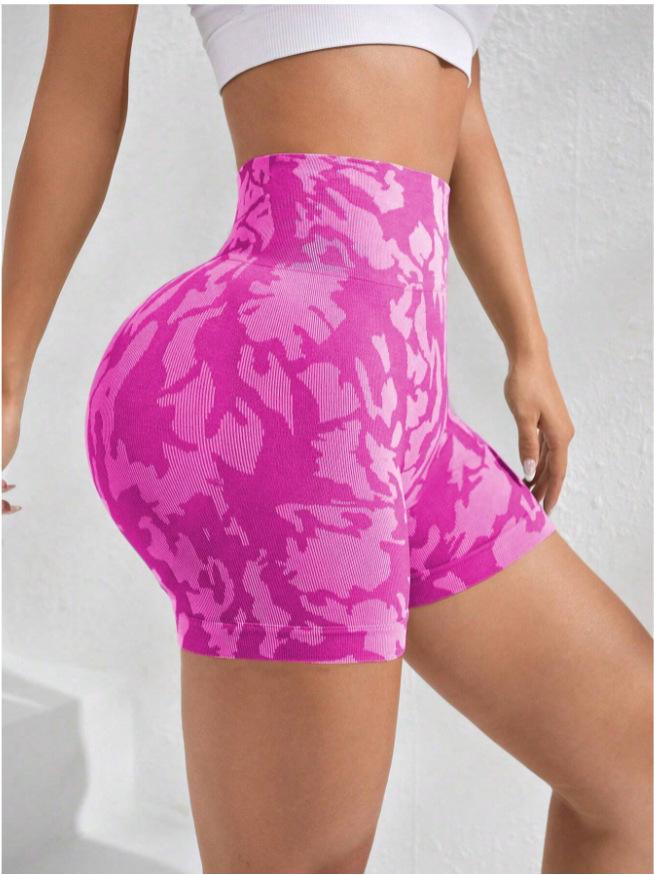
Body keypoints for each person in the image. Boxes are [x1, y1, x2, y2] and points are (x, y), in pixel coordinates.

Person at [2, 5, 652, 873]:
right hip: (279, 384)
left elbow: (460, 106)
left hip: (404, 402)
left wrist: (527, 345)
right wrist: (7, 372)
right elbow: (80, 92)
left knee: (634, 766)